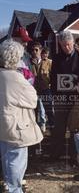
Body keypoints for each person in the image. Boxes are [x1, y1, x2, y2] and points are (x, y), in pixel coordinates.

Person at [0, 39, 43, 193]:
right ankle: (14, 189)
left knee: (6, 159)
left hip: (3, 126)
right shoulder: (15, 78)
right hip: (16, 128)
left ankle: (9, 185)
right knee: (16, 163)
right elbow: (32, 100)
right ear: (15, 58)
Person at [50, 30, 79, 165]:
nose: (66, 48)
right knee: (59, 127)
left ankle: (75, 157)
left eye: (68, 45)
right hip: (61, 99)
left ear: (73, 43)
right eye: (63, 45)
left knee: (76, 128)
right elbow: (53, 78)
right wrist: (56, 96)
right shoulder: (57, 58)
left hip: (77, 99)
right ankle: (56, 153)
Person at [40, 47, 54, 128]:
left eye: (47, 53)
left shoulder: (50, 62)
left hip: (47, 87)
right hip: (38, 87)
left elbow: (52, 74)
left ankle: (52, 123)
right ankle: (42, 124)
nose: (45, 55)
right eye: (44, 53)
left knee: (48, 106)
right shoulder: (38, 62)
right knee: (40, 108)